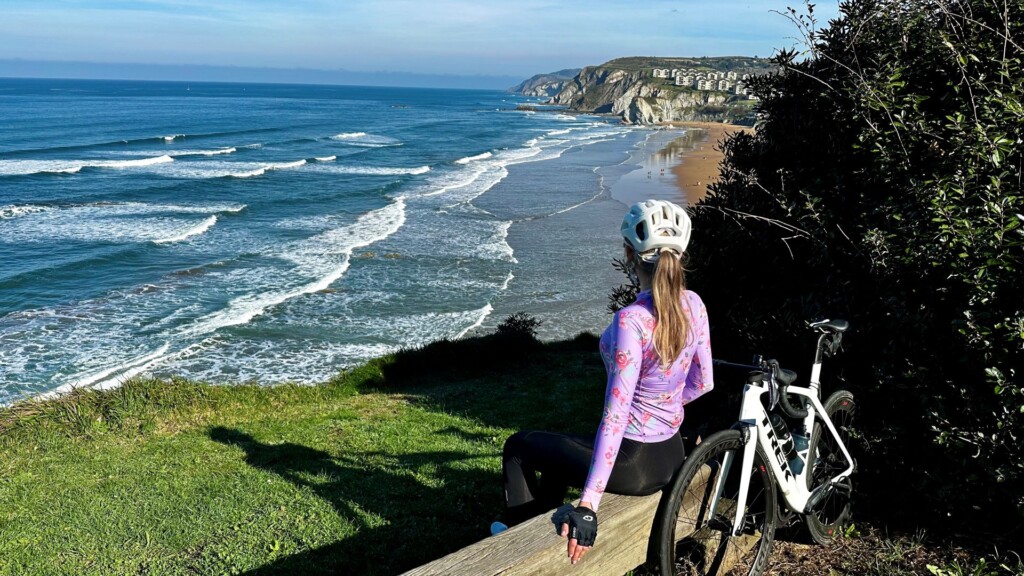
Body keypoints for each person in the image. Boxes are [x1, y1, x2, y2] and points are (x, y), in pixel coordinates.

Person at [497, 199, 714, 565]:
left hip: (633, 466)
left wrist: (588, 505)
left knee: (519, 446)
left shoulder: (632, 321)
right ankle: (538, 519)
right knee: (563, 450)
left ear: (629, 254)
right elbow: (703, 382)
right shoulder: (694, 303)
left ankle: (514, 539)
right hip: (670, 454)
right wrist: (664, 407)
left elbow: (615, 417)